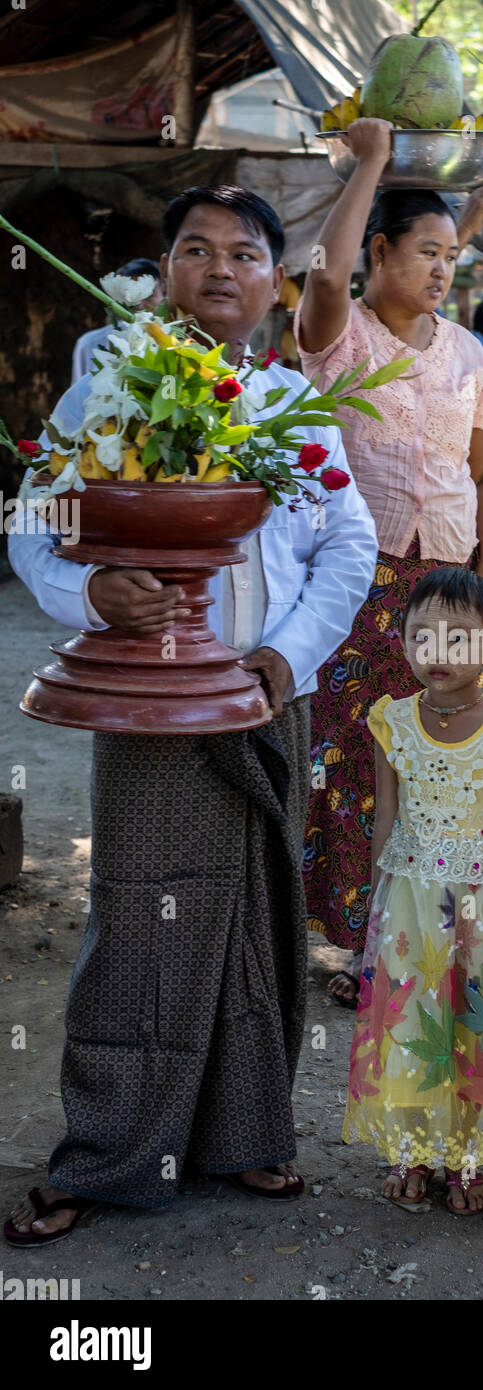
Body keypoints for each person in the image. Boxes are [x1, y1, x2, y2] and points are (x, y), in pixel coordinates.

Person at [4, 184, 378, 1246]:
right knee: (142, 921)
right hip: (147, 698)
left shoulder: (288, 402)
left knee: (261, 917)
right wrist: (94, 597)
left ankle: (244, 1136)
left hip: (264, 694)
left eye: (245, 252)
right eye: (197, 249)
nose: (221, 267)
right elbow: (37, 523)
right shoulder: (102, 387)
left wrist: (283, 655)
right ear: (163, 272)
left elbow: (348, 545)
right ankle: (107, 1155)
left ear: (275, 280)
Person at [295, 118, 483, 1006]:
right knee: (350, 760)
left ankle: (422, 945)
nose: (442, 268)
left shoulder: (464, 351)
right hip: (360, 583)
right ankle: (353, 950)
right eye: (425, 251)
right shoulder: (341, 340)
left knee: (440, 763)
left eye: (452, 254)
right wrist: (372, 161)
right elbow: (320, 277)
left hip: (448, 589)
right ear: (378, 251)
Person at [342, 566, 483, 1211]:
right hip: (411, 907)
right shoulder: (392, 721)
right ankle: (410, 1153)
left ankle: (468, 1158)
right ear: (404, 643)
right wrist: (375, 908)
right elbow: (386, 819)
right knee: (412, 1024)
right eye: (422, 637)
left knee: (477, 1030)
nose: (438, 654)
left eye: (459, 638)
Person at [71, 258, 163, 383]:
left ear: (165, 295)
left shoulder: (174, 343)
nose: (139, 305)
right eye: (127, 295)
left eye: (149, 295)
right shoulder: (88, 344)